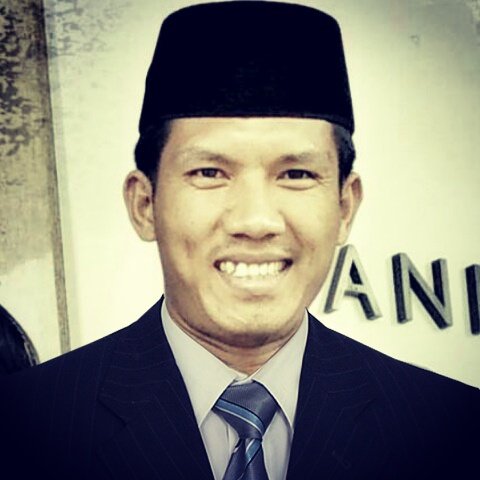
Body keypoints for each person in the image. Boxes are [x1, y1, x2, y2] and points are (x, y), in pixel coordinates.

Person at [1, 2, 479, 479]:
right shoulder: (24, 428)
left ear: (344, 207)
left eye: (296, 174)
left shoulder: (454, 433)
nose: (255, 220)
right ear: (145, 204)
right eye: (209, 172)